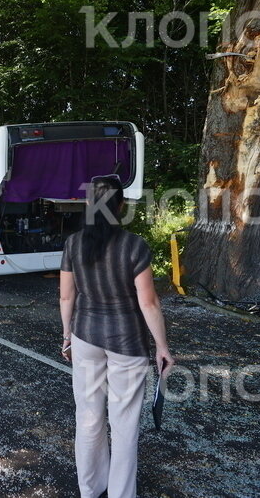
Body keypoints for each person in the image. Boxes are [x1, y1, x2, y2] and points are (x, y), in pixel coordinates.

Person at [59, 175, 174, 498]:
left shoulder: (73, 244)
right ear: (120, 206)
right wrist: (162, 347)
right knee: (124, 424)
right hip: (128, 343)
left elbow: (67, 298)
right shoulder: (134, 246)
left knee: (89, 417)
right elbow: (148, 302)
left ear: (87, 205)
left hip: (86, 337)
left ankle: (90, 489)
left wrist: (67, 335)